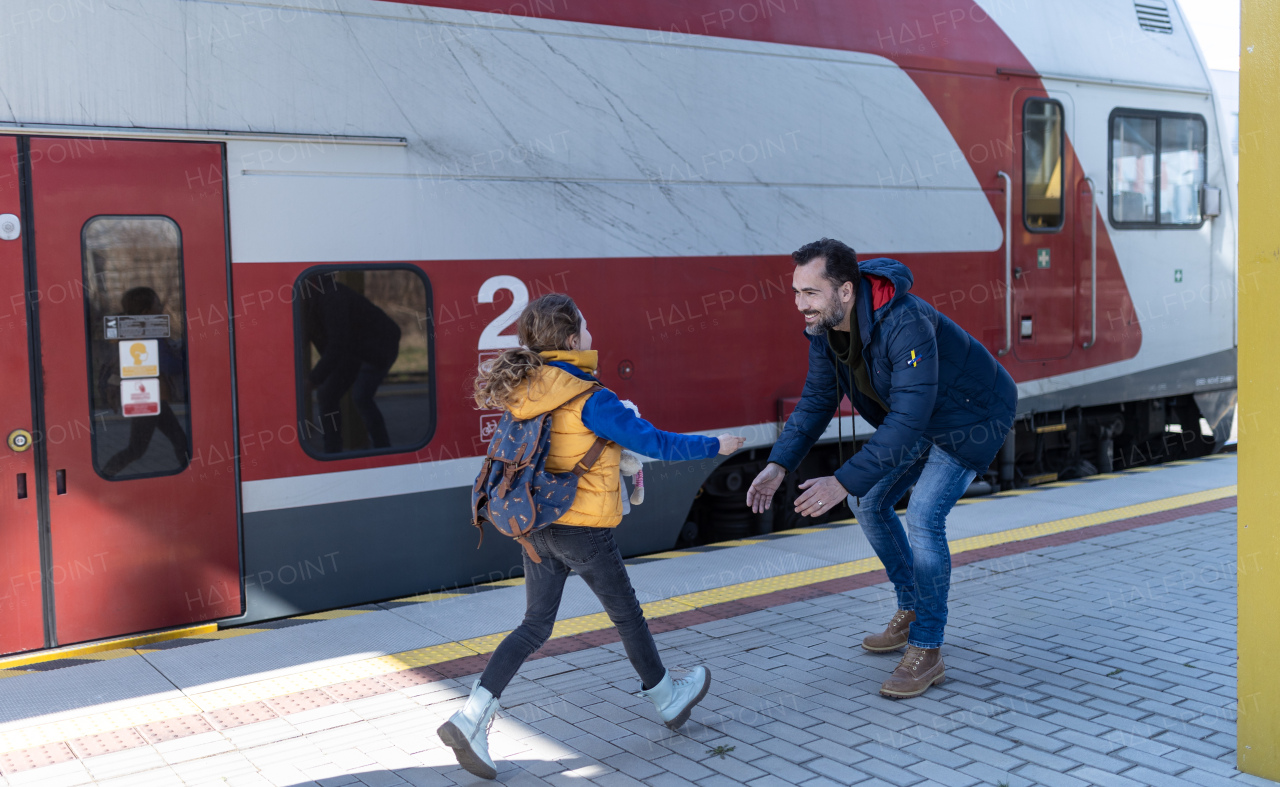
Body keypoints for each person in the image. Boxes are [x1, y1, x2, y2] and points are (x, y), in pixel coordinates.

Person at [438, 293, 745, 780]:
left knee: (534, 626)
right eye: (585, 326)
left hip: (535, 527)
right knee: (628, 617)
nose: (592, 334)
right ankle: (668, 699)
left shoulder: (523, 391)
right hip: (583, 531)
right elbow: (653, 441)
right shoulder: (590, 397)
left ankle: (470, 715)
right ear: (569, 339)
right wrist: (716, 445)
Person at [746, 238, 1017, 699]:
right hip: (922, 418)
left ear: (846, 291)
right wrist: (778, 464)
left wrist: (840, 478)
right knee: (867, 500)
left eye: (810, 293)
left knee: (925, 516)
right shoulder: (825, 330)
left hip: (971, 417)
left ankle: (928, 647)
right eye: (795, 292)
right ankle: (912, 605)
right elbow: (816, 401)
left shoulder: (905, 323)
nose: (799, 305)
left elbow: (910, 417)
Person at [299, 273, 401, 453]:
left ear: (310, 284)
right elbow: (302, 338)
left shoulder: (333, 297)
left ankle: (383, 449)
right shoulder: (309, 302)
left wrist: (312, 380)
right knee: (327, 394)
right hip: (353, 350)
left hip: (378, 346)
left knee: (361, 395)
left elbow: (337, 344)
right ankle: (332, 452)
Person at [102, 287, 189, 477]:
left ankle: (191, 472)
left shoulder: (126, 332)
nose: (162, 308)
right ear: (146, 313)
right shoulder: (151, 332)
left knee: (178, 440)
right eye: (158, 304)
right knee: (138, 448)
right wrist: (185, 355)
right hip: (147, 396)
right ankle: (105, 475)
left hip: (145, 395)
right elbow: (169, 365)